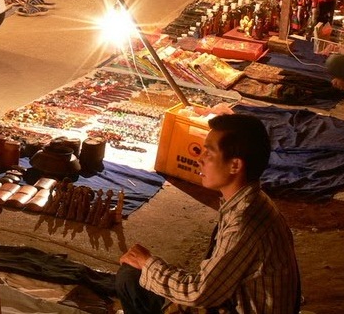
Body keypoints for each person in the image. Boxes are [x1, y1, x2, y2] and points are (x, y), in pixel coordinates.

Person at [116, 113, 300, 314]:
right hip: (234, 299)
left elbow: (201, 293)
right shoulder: (250, 201)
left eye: (209, 154)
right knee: (141, 277)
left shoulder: (245, 221)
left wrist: (147, 263)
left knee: (132, 277)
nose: (200, 159)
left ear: (235, 165)